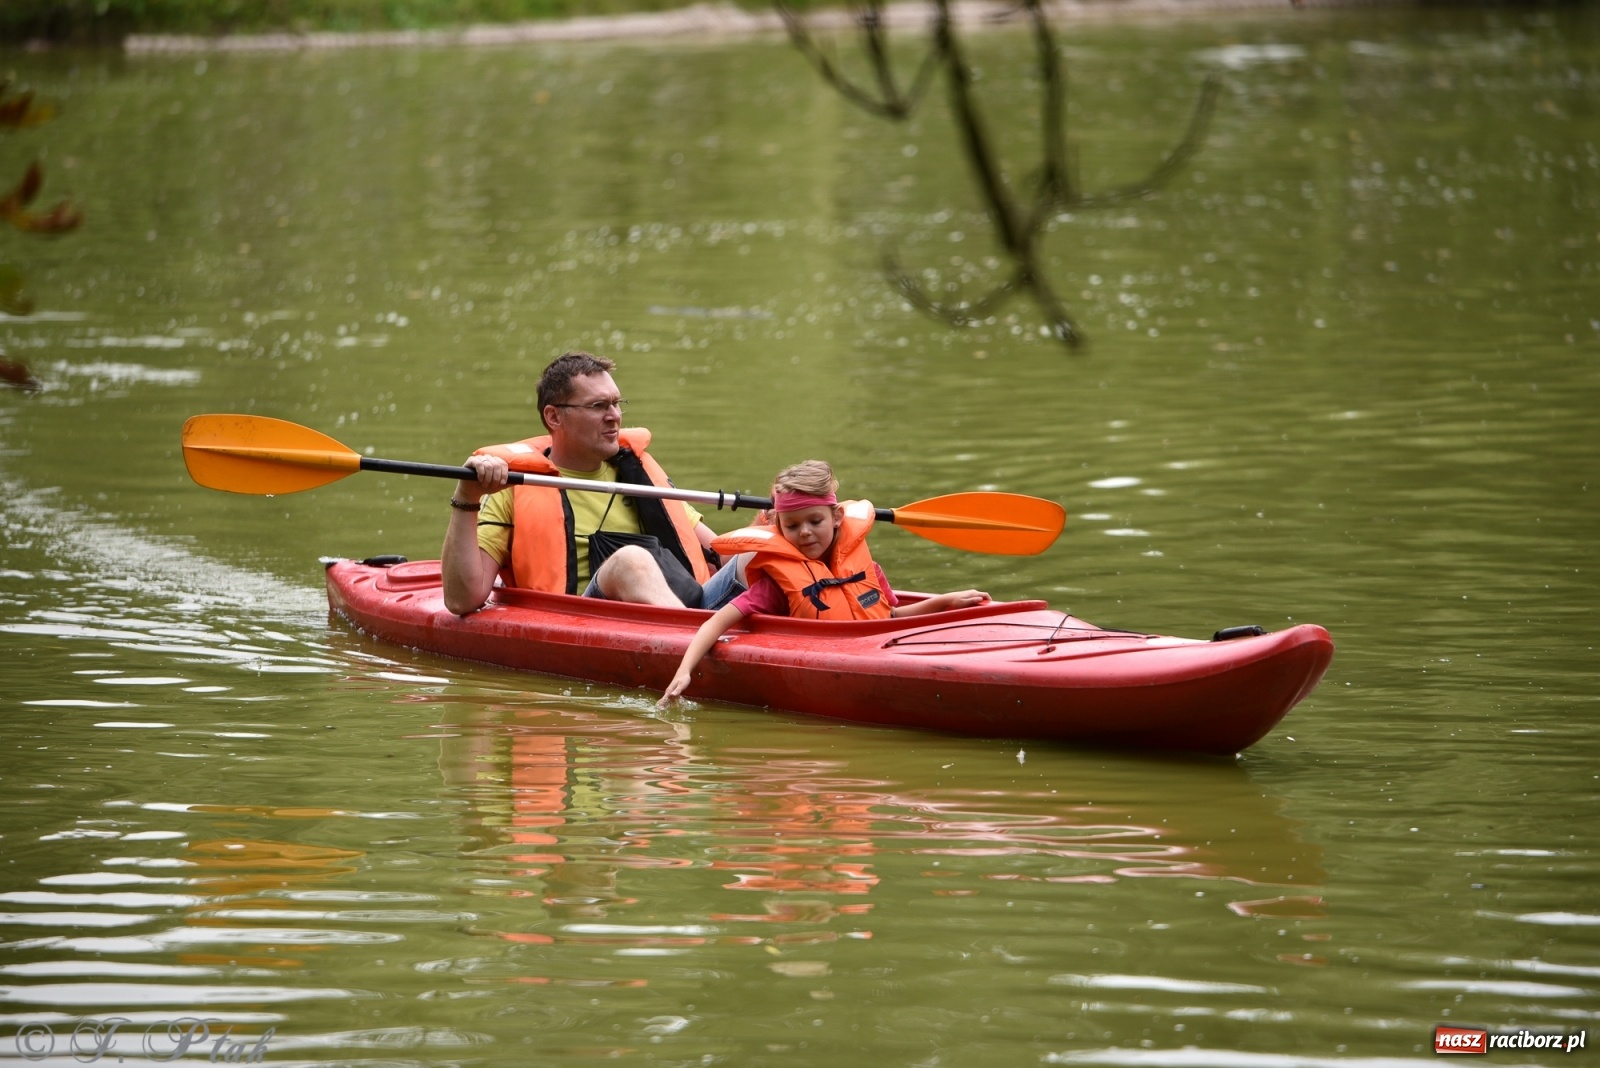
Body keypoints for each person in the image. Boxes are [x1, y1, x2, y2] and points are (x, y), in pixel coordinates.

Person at [658, 460, 988, 705]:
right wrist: (685, 670)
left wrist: (944, 602)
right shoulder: (776, 584)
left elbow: (889, 618)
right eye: (792, 525)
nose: (804, 532)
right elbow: (716, 622)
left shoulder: (865, 567)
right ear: (780, 527)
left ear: (837, 518)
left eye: (815, 521)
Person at [441, 352, 745, 616]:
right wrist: (467, 493)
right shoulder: (512, 485)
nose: (614, 416)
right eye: (599, 405)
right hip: (583, 619)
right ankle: (695, 645)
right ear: (554, 417)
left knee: (759, 550)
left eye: (616, 403)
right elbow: (462, 600)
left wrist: (777, 531)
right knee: (630, 559)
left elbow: (720, 550)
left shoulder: (638, 471)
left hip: (686, 608)